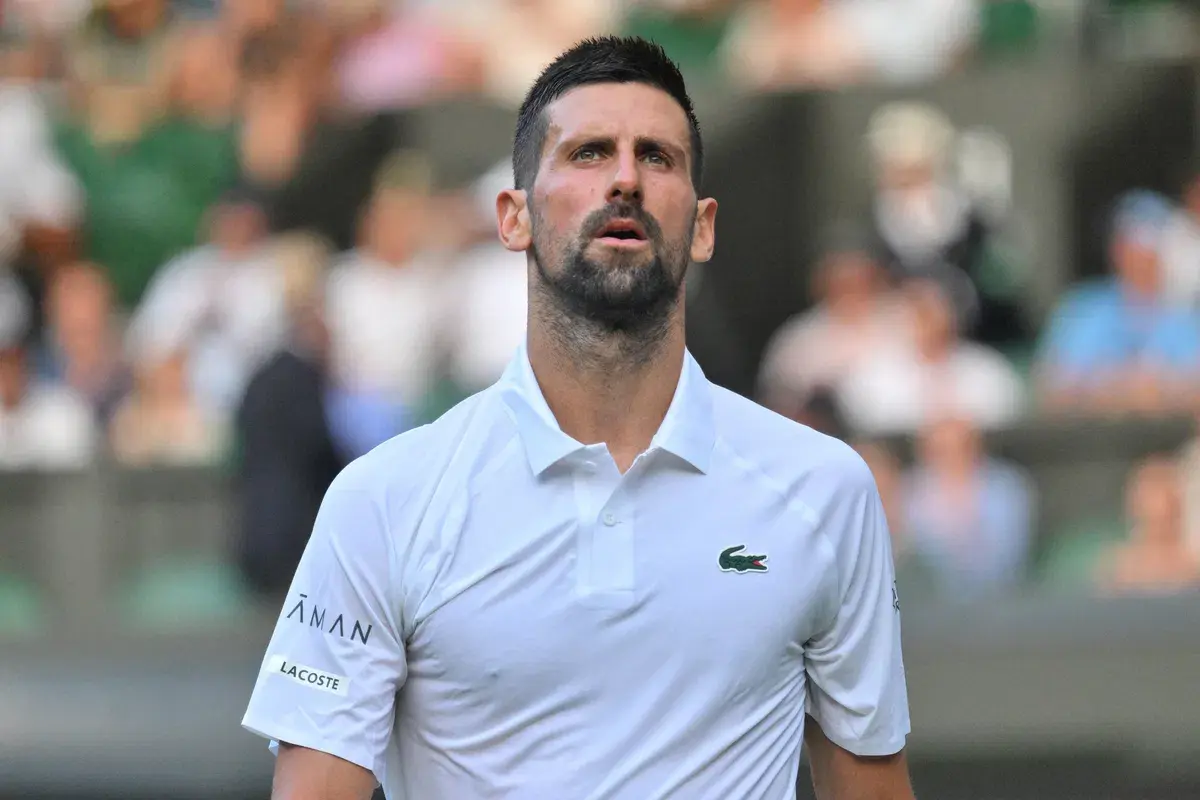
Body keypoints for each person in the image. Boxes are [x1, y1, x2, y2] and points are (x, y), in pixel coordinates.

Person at [241, 36, 912, 800]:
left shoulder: (827, 490)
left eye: (657, 157)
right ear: (514, 217)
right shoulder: (381, 503)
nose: (625, 178)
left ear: (703, 226)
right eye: (589, 153)